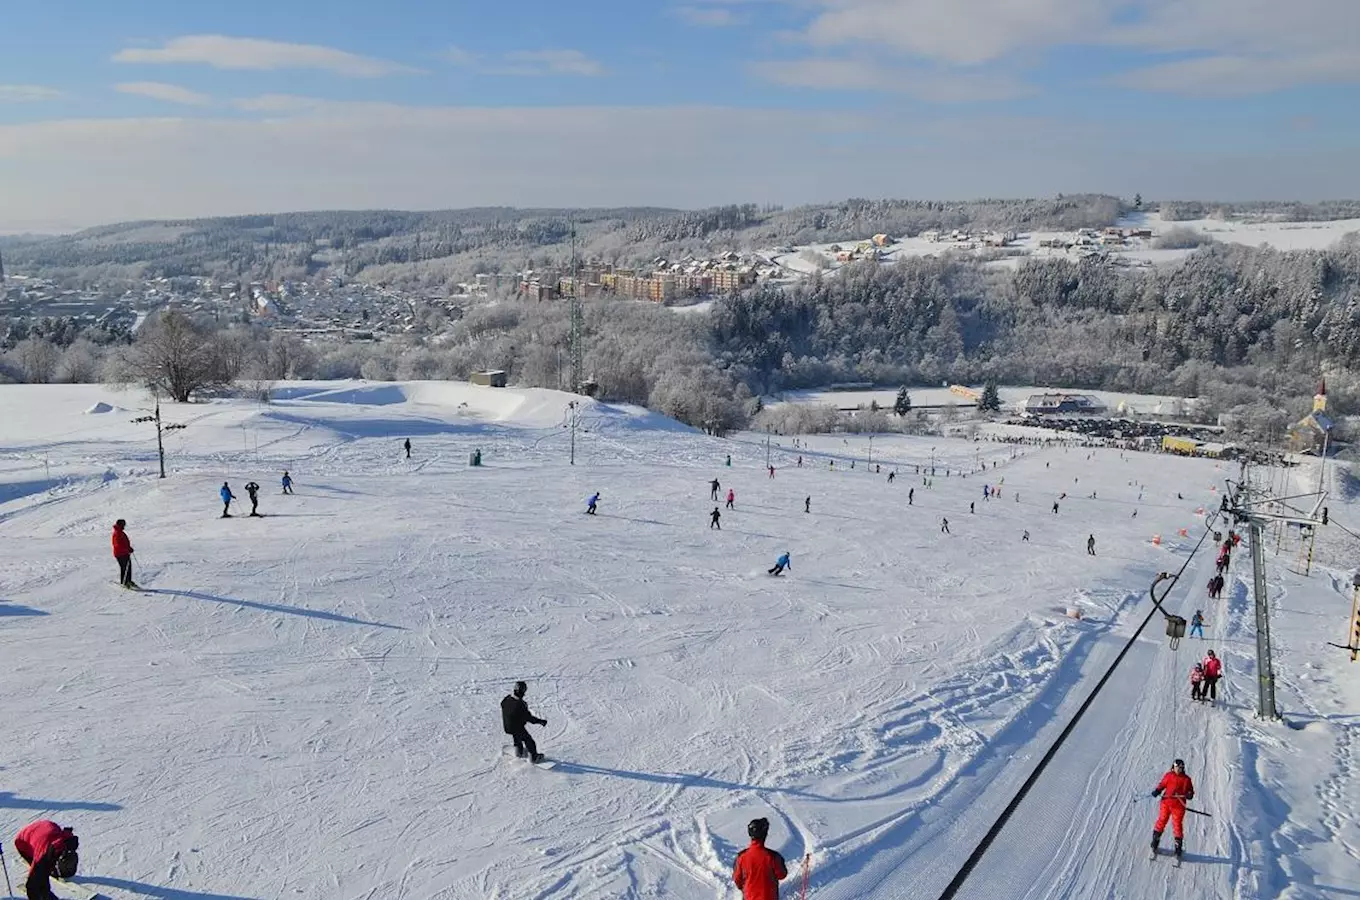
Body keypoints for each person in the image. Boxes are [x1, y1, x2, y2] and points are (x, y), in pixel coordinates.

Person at [13, 819, 79, 900]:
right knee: (40, 877)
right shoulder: (41, 858)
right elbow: (31, 887)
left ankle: (50, 875)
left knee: (45, 869)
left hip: (46, 828)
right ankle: (44, 892)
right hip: (23, 841)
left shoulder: (70, 845)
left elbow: (67, 834)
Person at [1150, 759, 1195, 861]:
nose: (1179, 769)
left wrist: (1189, 794)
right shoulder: (1169, 775)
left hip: (1179, 806)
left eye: (1181, 768)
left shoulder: (1186, 779)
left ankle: (1178, 848)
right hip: (1166, 803)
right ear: (1173, 767)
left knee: (1177, 825)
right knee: (1162, 820)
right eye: (1177, 767)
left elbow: (1190, 791)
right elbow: (1162, 784)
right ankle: (1155, 842)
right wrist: (1157, 790)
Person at [732, 817, 787, 900]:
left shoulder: (741, 857)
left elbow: (737, 880)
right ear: (765, 835)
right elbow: (782, 874)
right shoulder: (773, 857)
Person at [500, 681, 547, 763]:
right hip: (517, 727)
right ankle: (534, 757)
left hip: (507, 727)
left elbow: (502, 704)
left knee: (517, 736)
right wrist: (540, 721)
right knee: (529, 741)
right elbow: (529, 718)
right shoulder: (520, 704)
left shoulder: (507, 699)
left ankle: (518, 751)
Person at [111, 518, 136, 589]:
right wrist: (127, 549)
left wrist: (128, 548)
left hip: (124, 553)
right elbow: (117, 545)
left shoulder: (120, 531)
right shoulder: (117, 533)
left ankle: (128, 581)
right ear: (120, 524)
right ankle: (125, 582)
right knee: (125, 568)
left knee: (128, 567)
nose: (124, 526)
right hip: (120, 554)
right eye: (123, 524)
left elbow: (124, 542)